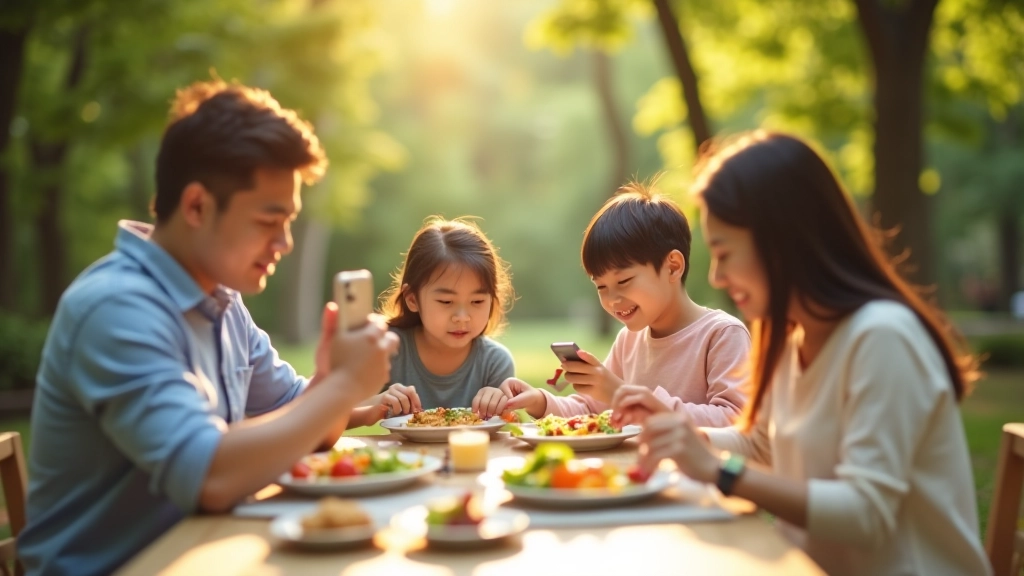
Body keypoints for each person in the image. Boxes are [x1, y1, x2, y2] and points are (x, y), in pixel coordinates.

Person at [18, 80, 398, 576]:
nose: (284, 243)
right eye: (268, 221)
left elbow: (303, 426)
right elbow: (209, 477)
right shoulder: (116, 308)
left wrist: (329, 380)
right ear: (196, 206)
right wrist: (345, 386)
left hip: (202, 555)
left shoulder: (221, 299)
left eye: (289, 222)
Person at [624, 131, 991, 576]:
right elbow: (761, 445)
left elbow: (866, 513)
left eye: (723, 253)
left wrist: (720, 473)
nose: (716, 276)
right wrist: (683, 437)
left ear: (782, 240)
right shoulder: (790, 336)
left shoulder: (881, 337)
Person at [502, 182, 750, 427]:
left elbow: (733, 419)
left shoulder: (722, 335)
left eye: (624, 281)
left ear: (672, 266)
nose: (611, 299)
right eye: (601, 286)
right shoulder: (628, 341)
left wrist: (625, 396)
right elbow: (591, 409)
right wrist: (540, 401)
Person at [362, 218, 516, 419]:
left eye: (477, 301)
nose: (462, 318)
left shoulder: (494, 363)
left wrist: (500, 406)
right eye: (446, 302)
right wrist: (377, 402)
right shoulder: (388, 349)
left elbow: (509, 431)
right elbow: (332, 413)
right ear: (412, 299)